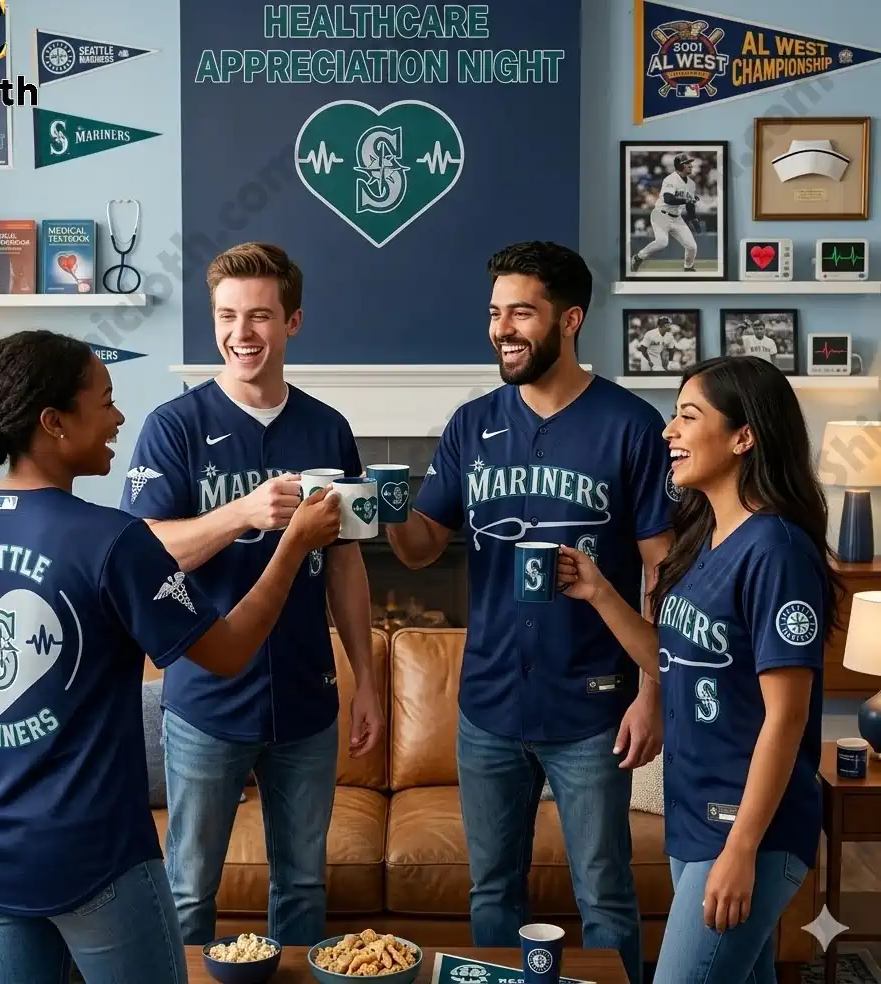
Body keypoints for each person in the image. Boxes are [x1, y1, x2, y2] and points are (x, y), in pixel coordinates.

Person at [0, 330, 340, 984]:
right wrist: (293, 546)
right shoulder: (116, 542)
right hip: (97, 860)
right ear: (54, 422)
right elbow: (228, 651)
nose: (118, 418)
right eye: (104, 402)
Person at [386, 240, 675, 984]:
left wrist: (652, 694)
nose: (501, 330)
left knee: (604, 894)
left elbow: (664, 569)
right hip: (487, 705)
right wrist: (377, 506)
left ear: (569, 320)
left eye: (521, 312)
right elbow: (420, 548)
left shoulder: (631, 426)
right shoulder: (471, 424)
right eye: (494, 313)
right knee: (492, 892)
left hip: (593, 706)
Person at [121, 242, 383, 946]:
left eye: (260, 316)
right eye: (227, 316)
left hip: (307, 695)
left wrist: (365, 679)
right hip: (205, 699)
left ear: (292, 322)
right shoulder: (173, 426)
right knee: (189, 888)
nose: (241, 333)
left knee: (302, 885)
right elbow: (146, 550)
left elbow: (348, 564)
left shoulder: (327, 428)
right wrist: (241, 512)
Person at [558, 355, 839, 984]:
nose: (669, 432)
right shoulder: (707, 536)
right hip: (696, 818)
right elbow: (672, 657)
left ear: (744, 438)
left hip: (747, 829)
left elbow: (787, 716)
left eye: (689, 416)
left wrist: (742, 849)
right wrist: (599, 591)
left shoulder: (777, 551)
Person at [630, 152, 701, 274]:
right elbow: (668, 199)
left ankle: (688, 268)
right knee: (662, 242)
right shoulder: (671, 179)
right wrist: (686, 200)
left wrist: (694, 219)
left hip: (676, 218)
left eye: (690, 163)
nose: (690, 165)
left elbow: (690, 204)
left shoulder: (691, 184)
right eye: (687, 163)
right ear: (679, 166)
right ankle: (638, 257)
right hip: (661, 214)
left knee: (692, 247)